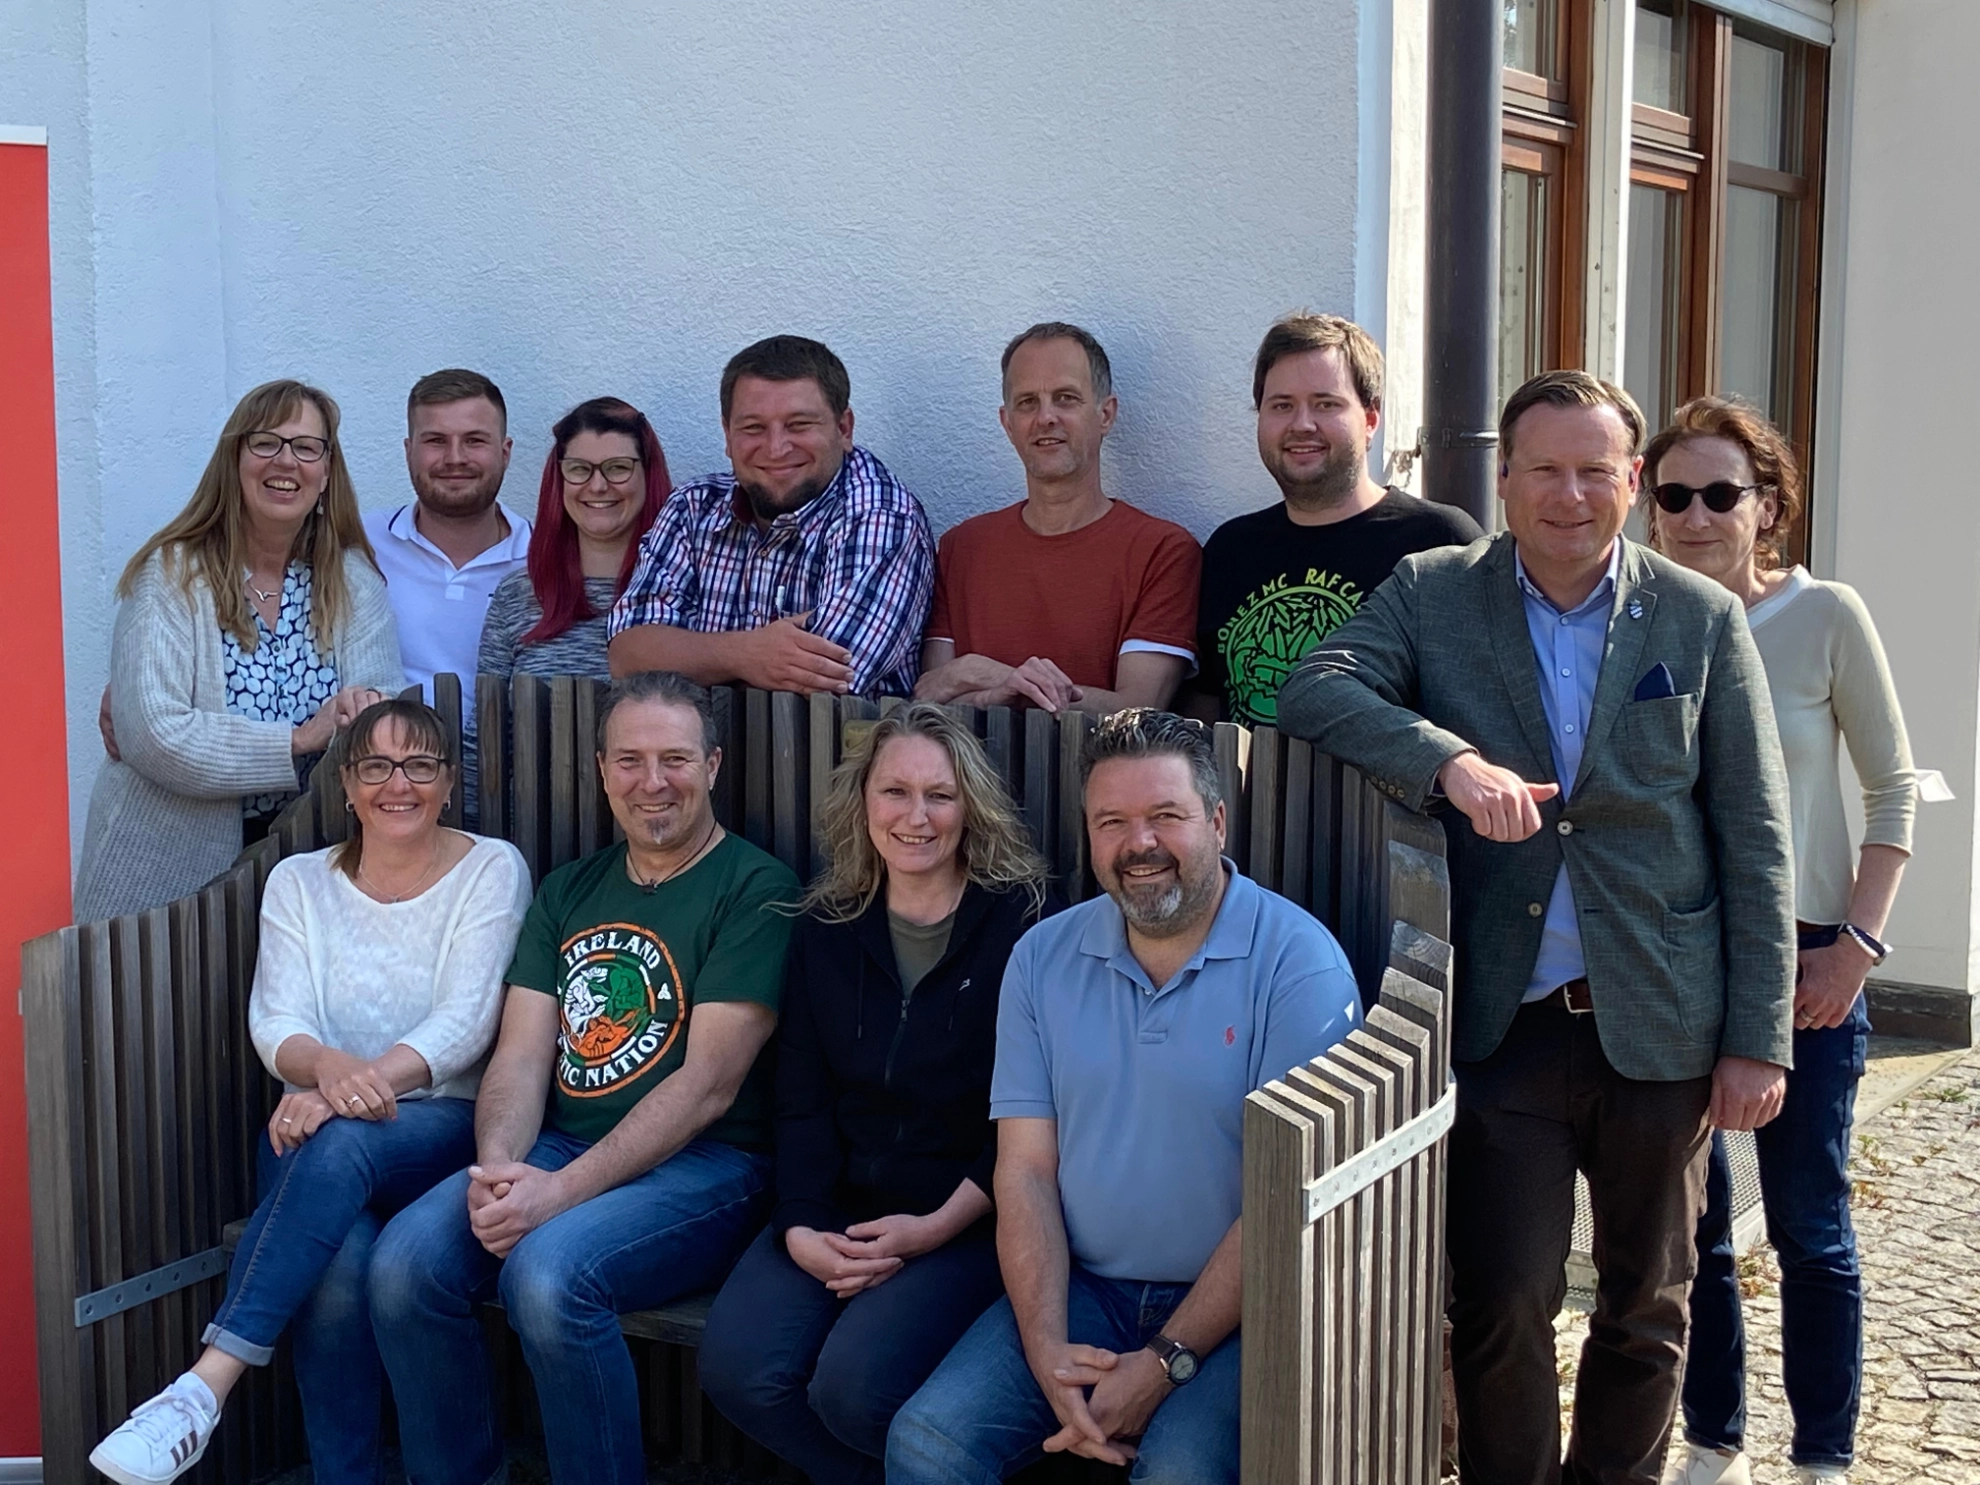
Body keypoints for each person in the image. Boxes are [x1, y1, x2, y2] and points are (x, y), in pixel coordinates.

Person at [1276, 370, 1797, 1485]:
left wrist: (1758, 1038)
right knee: (1502, 1298)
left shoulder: (1699, 616)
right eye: (1545, 470)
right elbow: (1314, 686)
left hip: (1660, 1017)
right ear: (1503, 480)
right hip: (1505, 1017)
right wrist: (1450, 764)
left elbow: (1756, 837)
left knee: (1649, 1302)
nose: (1570, 495)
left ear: (1633, 481)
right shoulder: (1435, 592)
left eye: (1595, 470)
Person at [887, 709, 1362, 1484]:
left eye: (1165, 815)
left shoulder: (1298, 964)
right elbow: (1025, 1170)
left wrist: (1166, 1360)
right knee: (926, 1444)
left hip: (1246, 1309)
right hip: (1085, 1289)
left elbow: (1283, 1204)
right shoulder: (1042, 957)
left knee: (1176, 1474)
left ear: (1216, 822)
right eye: (1112, 821)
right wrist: (1044, 1345)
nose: (1139, 843)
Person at [366, 670, 798, 1485]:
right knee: (401, 1267)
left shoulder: (756, 888)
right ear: (602, 770)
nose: (652, 781)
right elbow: (522, 1054)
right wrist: (500, 1172)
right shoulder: (571, 889)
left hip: (710, 1166)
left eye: (674, 758)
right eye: (629, 760)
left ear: (712, 766)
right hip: (557, 1150)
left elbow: (707, 1085)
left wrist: (556, 1195)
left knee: (549, 1277)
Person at [87, 699, 530, 1485]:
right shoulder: (298, 881)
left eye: (419, 765)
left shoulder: (491, 868)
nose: (399, 783)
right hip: (317, 1133)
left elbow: (465, 1024)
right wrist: (329, 1073)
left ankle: (204, 1386)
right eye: (376, 766)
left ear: (448, 782)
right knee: (337, 1261)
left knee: (337, 1142)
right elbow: (275, 1020)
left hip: (440, 1125)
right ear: (348, 787)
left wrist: (339, 1093)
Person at [1646, 399, 1914, 1485]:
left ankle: (1821, 1457)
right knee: (1695, 1228)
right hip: (1683, 955)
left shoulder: (1825, 614)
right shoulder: (1641, 619)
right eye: (1674, 495)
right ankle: (1713, 1438)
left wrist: (1857, 947)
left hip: (1811, 957)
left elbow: (1895, 788)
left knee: (1808, 1221)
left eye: (1722, 493)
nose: (1696, 515)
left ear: (1769, 506)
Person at [699, 704, 1057, 1483]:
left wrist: (934, 1227)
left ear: (971, 806)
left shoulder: (1024, 927)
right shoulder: (824, 925)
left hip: (967, 1219)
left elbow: (1032, 1116)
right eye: (895, 791)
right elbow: (800, 1098)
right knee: (738, 1369)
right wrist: (801, 1224)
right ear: (863, 801)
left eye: (940, 794)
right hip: (840, 1204)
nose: (916, 816)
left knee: (853, 1390)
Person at [74, 379, 404, 922]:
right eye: (265, 442)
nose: (286, 461)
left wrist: (361, 712)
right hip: (165, 885)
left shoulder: (353, 581)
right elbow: (153, 733)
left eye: (306, 447)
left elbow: (378, 706)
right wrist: (299, 739)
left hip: (312, 872)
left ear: (326, 472)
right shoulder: (172, 574)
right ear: (234, 460)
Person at [1187, 313, 1482, 728]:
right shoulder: (1230, 550)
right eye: (1282, 406)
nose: (1302, 424)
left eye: (1326, 404)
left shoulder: (1439, 540)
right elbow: (1205, 703)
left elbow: (1483, 701)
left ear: (1371, 419)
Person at [607, 336, 936, 697]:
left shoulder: (883, 517)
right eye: (754, 428)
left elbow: (826, 681)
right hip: (687, 737)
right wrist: (747, 654)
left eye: (799, 425)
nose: (776, 448)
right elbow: (627, 657)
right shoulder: (692, 507)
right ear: (727, 434)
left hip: (837, 736)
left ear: (844, 429)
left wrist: (687, 657)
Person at [914, 323, 1200, 713]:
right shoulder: (960, 549)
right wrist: (994, 690)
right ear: (1007, 423)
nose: (1046, 417)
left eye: (1066, 398)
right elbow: (932, 697)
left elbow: (1136, 709)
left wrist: (988, 674)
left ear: (1106, 415)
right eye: (1027, 402)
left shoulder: (1162, 551)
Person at [364, 368, 530, 710]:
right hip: (388, 744)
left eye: (474, 440)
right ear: (409, 450)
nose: (455, 458)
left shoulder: (547, 557)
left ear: (505, 452)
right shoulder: (360, 543)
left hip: (511, 744)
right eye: (436, 441)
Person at [477, 397, 674, 682]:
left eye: (618, 467)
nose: (598, 486)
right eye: (579, 468)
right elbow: (489, 710)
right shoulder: (515, 595)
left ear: (648, 474)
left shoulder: (685, 593)